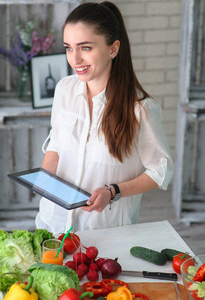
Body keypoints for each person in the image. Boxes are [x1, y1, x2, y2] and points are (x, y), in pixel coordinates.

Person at [35, 1, 173, 234]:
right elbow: (56, 144)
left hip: (103, 231)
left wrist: (113, 191)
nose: (75, 59)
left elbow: (161, 170)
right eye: (69, 47)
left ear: (113, 49)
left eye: (85, 48)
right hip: (53, 223)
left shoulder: (140, 109)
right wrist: (43, 180)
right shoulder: (64, 89)